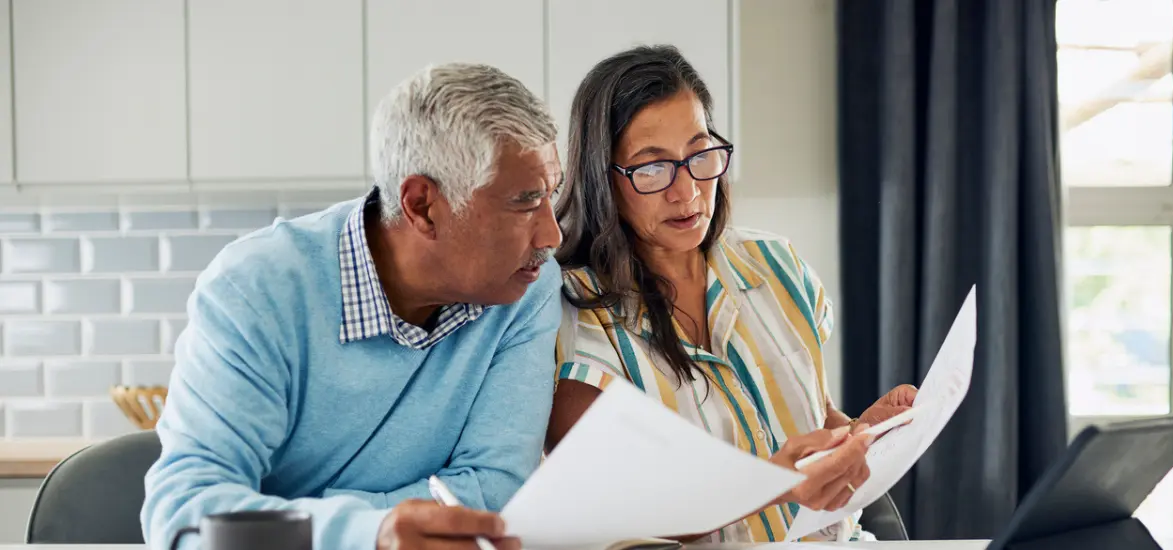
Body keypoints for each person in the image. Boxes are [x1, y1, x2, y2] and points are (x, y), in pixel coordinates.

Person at [141, 63, 564, 550]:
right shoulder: (256, 289)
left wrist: (295, 519)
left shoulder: (525, 288)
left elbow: (494, 495)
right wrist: (370, 534)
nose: (551, 236)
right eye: (525, 203)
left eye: (550, 196)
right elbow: (186, 514)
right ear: (422, 205)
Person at [548, 45, 918, 543]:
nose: (687, 192)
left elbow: (813, 412)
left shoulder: (776, 264)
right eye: (652, 168)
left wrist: (859, 433)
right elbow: (612, 507)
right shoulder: (572, 317)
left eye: (699, 155)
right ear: (603, 178)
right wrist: (772, 486)